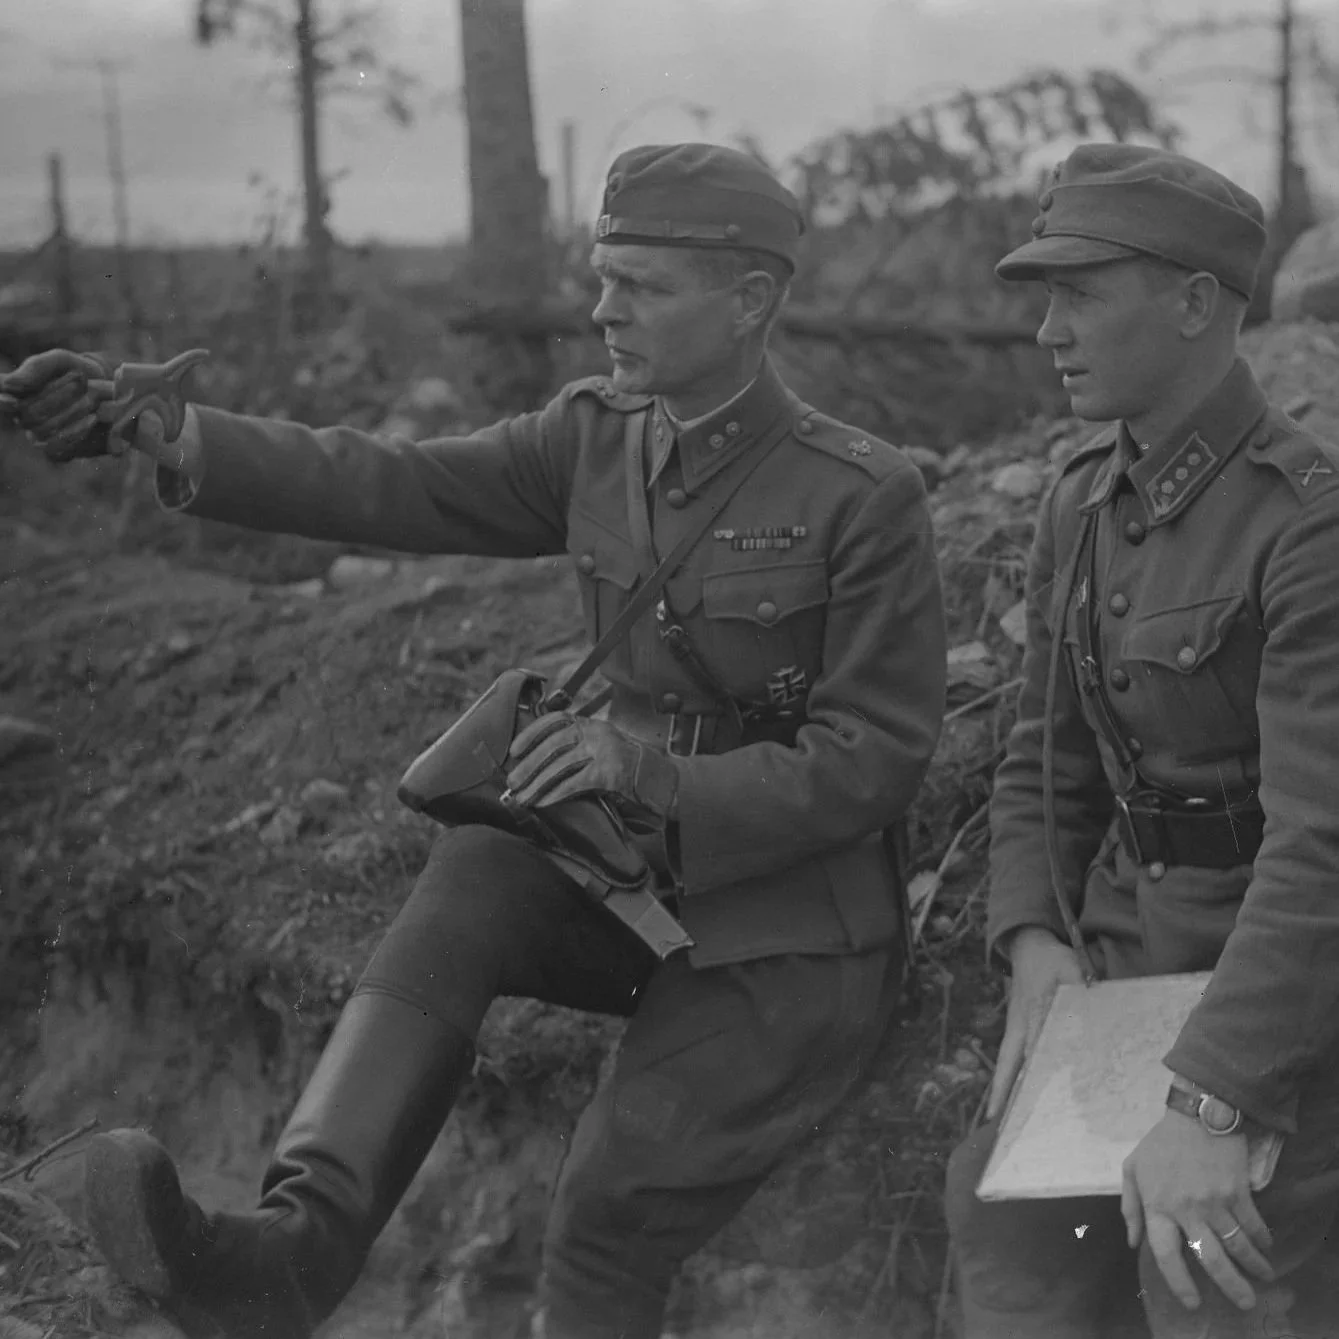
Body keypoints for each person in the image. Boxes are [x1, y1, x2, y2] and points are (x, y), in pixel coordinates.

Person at [2, 143, 946, 1339]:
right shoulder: (597, 437)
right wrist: (175, 433)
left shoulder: (860, 493)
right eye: (601, 277)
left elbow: (875, 758)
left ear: (751, 300)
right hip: (645, 885)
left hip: (792, 938)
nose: (602, 309)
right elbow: (398, 485)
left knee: (603, 1213)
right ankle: (292, 1253)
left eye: (641, 286)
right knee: (481, 869)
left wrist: (648, 770)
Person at [943, 142, 1339, 1338]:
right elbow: (1043, 757)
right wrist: (1030, 945)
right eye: (1043, 298)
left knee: (1202, 1275)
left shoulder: (1304, 525)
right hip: (1122, 967)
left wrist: (1215, 1102)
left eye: (1080, 294)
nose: (1047, 331)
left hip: (1278, 1003)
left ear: (1193, 302)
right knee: (999, 1228)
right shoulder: (1080, 501)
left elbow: (1323, 843)